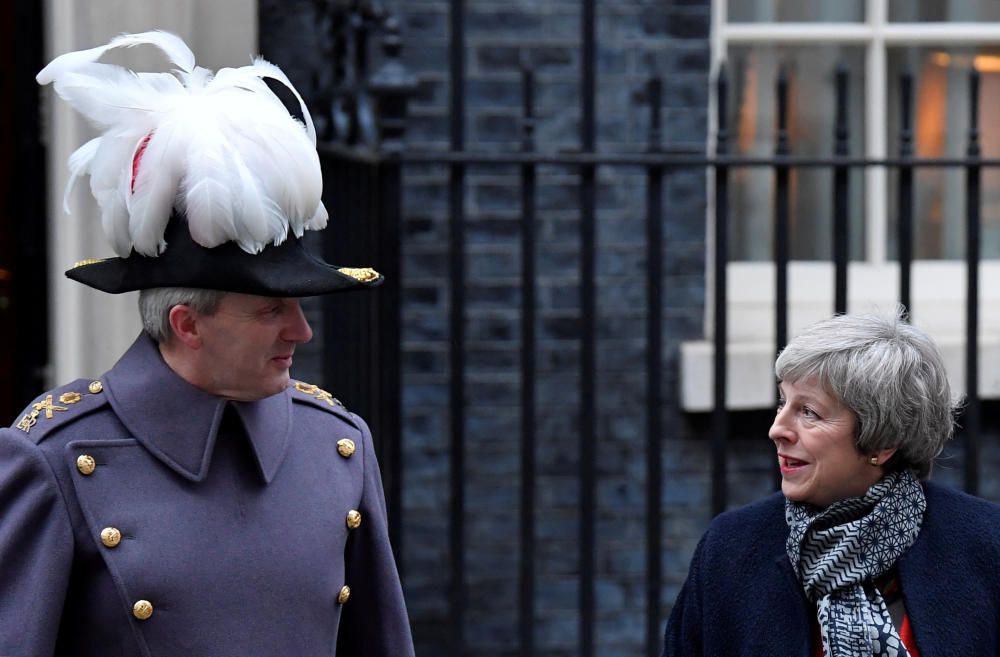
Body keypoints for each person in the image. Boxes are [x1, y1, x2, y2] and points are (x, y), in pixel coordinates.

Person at [0, 31, 414, 657]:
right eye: (271, 309)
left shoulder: (337, 446)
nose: (301, 331)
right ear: (189, 324)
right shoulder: (53, 457)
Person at [663, 310, 1000, 657]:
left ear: (882, 443)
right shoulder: (730, 549)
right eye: (783, 402)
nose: (777, 429)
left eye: (809, 412)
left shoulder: (985, 543)